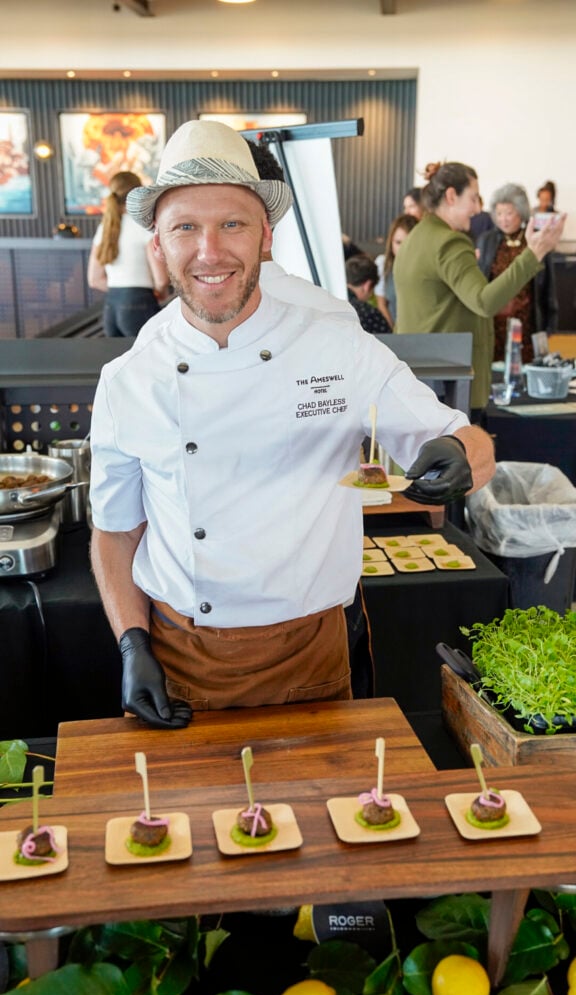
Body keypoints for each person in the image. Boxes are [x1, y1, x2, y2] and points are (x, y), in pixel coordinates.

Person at [89, 119, 496, 729]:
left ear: (266, 238)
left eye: (232, 224)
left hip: (312, 651)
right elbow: (116, 533)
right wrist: (131, 643)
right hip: (180, 655)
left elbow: (470, 438)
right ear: (158, 247)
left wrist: (464, 455)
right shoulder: (129, 377)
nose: (210, 251)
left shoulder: (337, 347)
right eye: (185, 228)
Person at [394, 160, 566, 415]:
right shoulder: (449, 242)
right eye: (473, 198)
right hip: (450, 385)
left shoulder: (416, 238)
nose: (477, 209)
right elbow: (484, 302)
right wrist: (534, 253)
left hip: (423, 379)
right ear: (451, 196)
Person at [476, 183, 559, 363]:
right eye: (499, 214)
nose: (503, 219)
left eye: (509, 213)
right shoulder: (486, 240)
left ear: (521, 212)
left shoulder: (535, 239)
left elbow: (548, 286)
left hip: (527, 322)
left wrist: (550, 323)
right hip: (493, 323)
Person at [87, 170, 170, 337]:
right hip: (139, 305)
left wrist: (122, 295)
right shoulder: (142, 226)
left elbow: (94, 279)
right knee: (148, 362)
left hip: (111, 308)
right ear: (138, 192)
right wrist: (159, 291)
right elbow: (161, 279)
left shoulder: (105, 228)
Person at [373, 214, 418, 329]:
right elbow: (382, 304)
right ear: (391, 242)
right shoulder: (383, 264)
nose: (402, 248)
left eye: (407, 243)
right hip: (394, 332)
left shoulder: (424, 268)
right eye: (398, 242)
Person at [345, 254, 391, 334]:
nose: (370, 296)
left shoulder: (330, 300)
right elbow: (390, 341)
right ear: (367, 285)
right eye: (372, 291)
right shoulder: (370, 315)